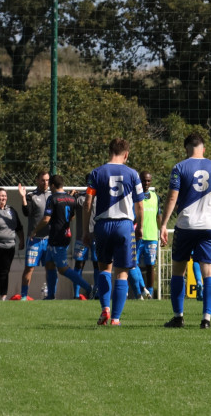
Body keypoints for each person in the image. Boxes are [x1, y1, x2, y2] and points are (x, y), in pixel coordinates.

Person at [162, 133, 211, 329]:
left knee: (178, 272)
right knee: (209, 272)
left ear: (186, 149)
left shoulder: (180, 167)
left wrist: (164, 224)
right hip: (210, 227)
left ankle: (178, 317)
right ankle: (206, 319)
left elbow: (172, 198)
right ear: (204, 148)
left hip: (185, 226)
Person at [82, 138, 145, 326]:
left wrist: (86, 230)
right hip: (124, 226)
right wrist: (139, 226)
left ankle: (105, 309)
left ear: (109, 151)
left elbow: (87, 203)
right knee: (122, 273)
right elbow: (140, 205)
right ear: (126, 154)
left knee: (104, 269)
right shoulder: (133, 174)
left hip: (103, 225)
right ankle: (116, 318)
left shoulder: (97, 173)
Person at [29, 175, 93, 299]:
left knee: (63, 269)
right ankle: (51, 296)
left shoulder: (52, 198)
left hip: (57, 236)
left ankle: (89, 288)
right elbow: (72, 217)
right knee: (49, 264)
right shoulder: (71, 198)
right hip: (63, 235)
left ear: (52, 185)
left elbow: (46, 219)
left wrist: (35, 231)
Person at [12, 171, 53, 301]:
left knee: (51, 268)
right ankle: (24, 296)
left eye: (47, 180)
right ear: (37, 180)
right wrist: (23, 197)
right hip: (34, 240)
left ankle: (51, 295)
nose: (45, 183)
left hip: (49, 240)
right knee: (29, 268)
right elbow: (26, 212)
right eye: (42, 180)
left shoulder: (53, 195)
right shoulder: (31, 196)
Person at [137, 171, 161, 298]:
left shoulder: (155, 197)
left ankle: (150, 293)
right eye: (143, 180)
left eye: (148, 181)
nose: (146, 183)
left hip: (151, 237)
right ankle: (141, 289)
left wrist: (161, 230)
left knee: (150, 266)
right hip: (137, 236)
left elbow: (159, 216)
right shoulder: (134, 196)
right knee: (132, 265)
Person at [72, 185, 98, 300]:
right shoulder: (79, 198)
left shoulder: (101, 197)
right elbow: (70, 214)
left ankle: (97, 293)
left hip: (96, 237)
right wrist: (71, 196)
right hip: (81, 237)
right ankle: (76, 295)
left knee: (97, 264)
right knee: (79, 264)